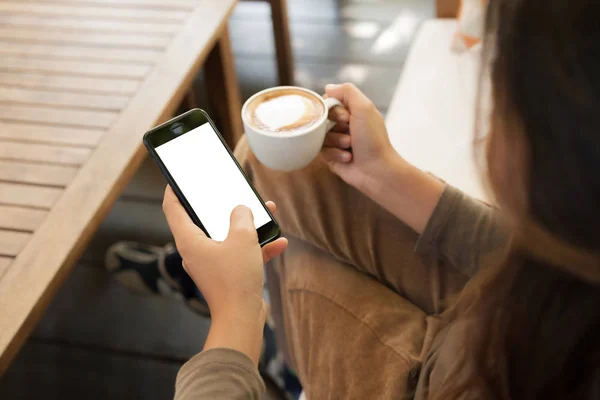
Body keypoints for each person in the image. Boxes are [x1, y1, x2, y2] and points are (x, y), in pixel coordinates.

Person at [109, 0, 600, 398]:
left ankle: (239, 307)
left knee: (287, 253)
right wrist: (383, 174)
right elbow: (529, 257)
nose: (485, 133)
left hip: (429, 381)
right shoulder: (572, 263)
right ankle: (254, 307)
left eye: (502, 98)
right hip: (487, 321)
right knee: (277, 171)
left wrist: (234, 318)